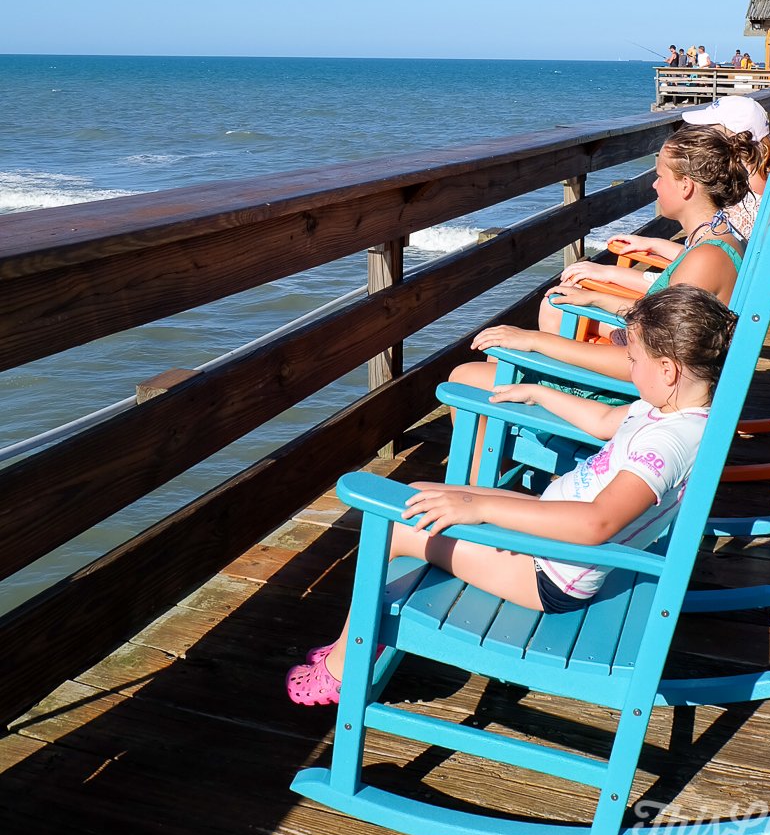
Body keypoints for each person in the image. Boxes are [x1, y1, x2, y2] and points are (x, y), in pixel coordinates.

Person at [285, 284, 737, 705]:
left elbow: (597, 522)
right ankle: (363, 635)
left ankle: (344, 667)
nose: (630, 369)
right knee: (419, 494)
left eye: (633, 360)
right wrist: (538, 393)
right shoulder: (672, 411)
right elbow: (603, 421)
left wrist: (480, 504)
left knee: (396, 525)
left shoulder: (668, 443)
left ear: (668, 370)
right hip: (554, 533)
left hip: (550, 572)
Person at [530, 122, 750, 346]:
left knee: (553, 307)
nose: (654, 185)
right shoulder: (715, 234)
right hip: (656, 339)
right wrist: (597, 295)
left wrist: (535, 340)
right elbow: (667, 306)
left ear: (686, 185)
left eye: (660, 176)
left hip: (650, 353)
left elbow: (659, 347)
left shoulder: (706, 257)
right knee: (563, 301)